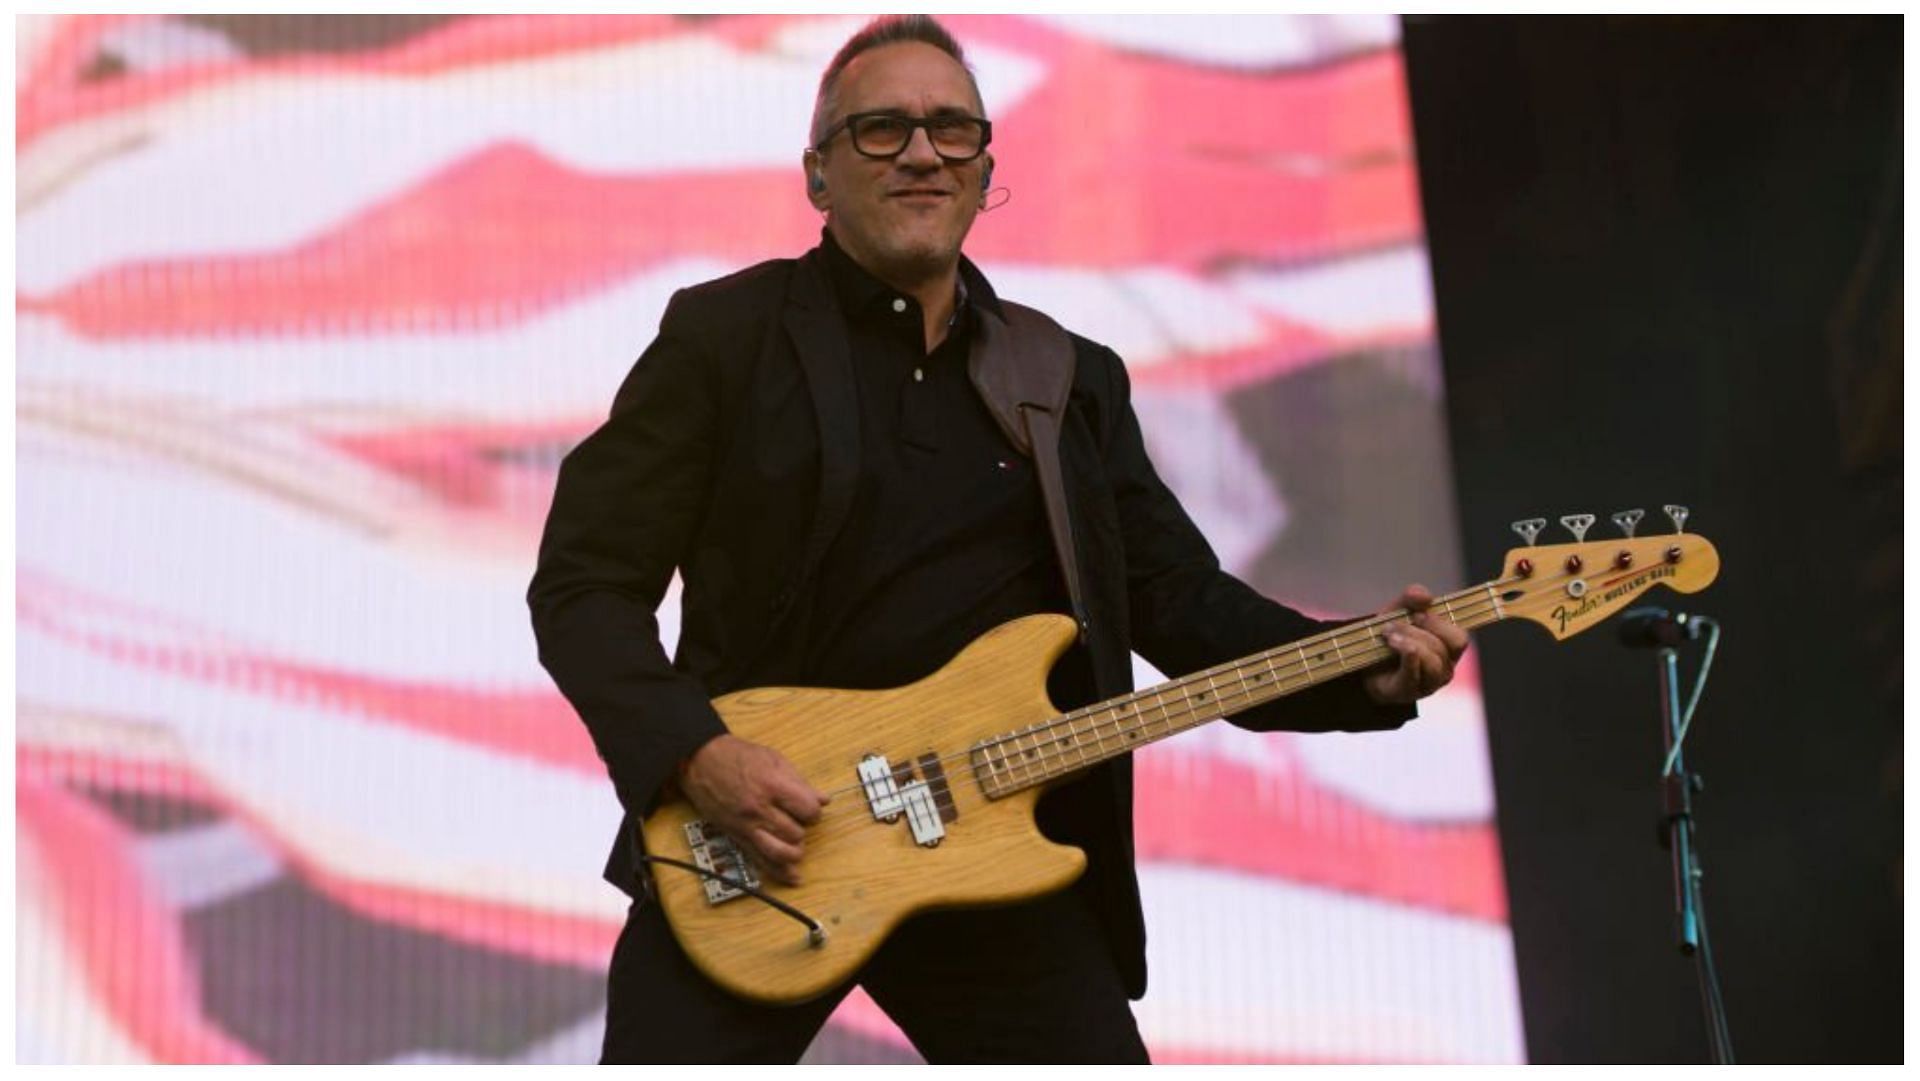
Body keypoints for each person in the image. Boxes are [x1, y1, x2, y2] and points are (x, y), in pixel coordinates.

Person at [528, 14, 1468, 1064]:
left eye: (952, 129)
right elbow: (584, 587)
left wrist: (1359, 670)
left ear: (985, 168)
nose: (923, 152)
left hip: (994, 847)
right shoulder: (723, 339)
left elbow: (1179, 602)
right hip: (764, 839)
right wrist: (697, 755)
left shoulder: (1066, 377)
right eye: (881, 129)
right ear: (817, 174)